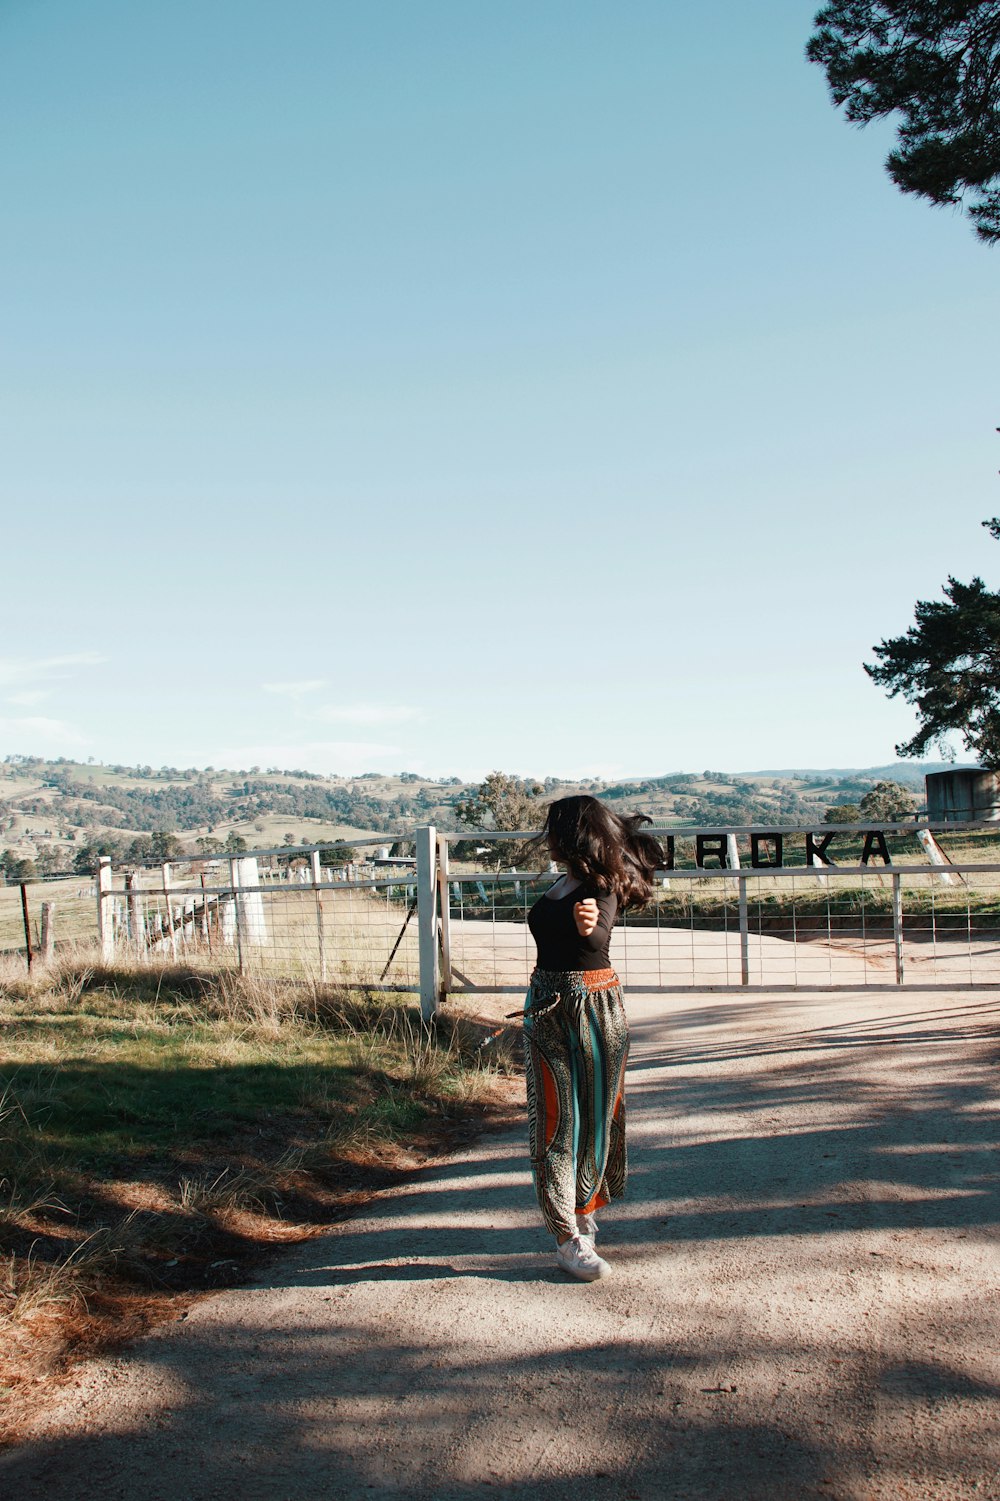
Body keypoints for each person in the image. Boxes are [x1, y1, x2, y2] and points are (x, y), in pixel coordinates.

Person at [523, 795, 663, 1282]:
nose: (548, 837)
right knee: (555, 1120)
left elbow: (597, 938)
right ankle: (567, 1237)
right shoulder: (563, 882)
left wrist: (590, 927)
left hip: (596, 1008)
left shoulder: (602, 887)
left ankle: (583, 1210)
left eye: (554, 829)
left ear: (572, 834)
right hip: (546, 1010)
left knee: (598, 1119)